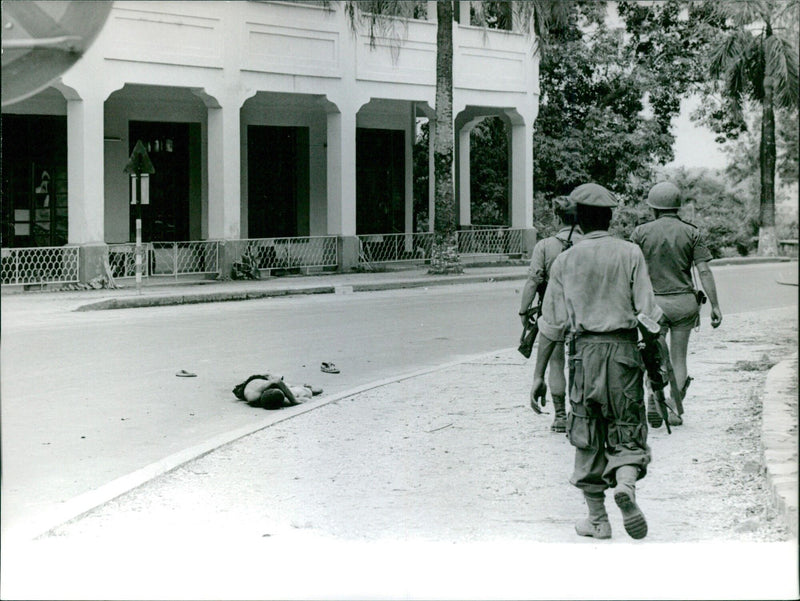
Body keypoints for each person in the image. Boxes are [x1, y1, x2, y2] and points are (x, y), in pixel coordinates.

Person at [531, 182, 664, 540]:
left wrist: (539, 375)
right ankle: (626, 485)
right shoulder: (630, 253)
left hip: (583, 355)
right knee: (627, 427)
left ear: (577, 220)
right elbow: (649, 315)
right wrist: (656, 368)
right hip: (623, 352)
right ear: (609, 217)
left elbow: (552, 326)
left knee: (587, 433)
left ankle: (598, 520)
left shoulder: (564, 260)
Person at [631, 182, 722, 427]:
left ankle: (652, 393)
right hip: (683, 303)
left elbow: (631, 271)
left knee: (650, 355)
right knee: (678, 358)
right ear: (677, 207)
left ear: (654, 208)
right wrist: (715, 305)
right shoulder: (692, 232)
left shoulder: (640, 233)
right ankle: (672, 408)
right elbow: (703, 270)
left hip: (652, 305)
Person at [519, 197, 582, 432]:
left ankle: (560, 416)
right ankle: (579, 412)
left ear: (558, 218)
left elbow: (533, 281)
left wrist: (523, 311)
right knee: (583, 362)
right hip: (586, 311)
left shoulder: (545, 246)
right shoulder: (590, 244)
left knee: (556, 362)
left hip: (553, 309)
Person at [232, 374, 322, 409]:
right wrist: (296, 400)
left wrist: (294, 400)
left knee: (299, 393)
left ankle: (306, 388)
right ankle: (306, 389)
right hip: (253, 384)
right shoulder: (254, 396)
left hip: (259, 379)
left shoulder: (254, 395)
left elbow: (277, 381)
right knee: (304, 394)